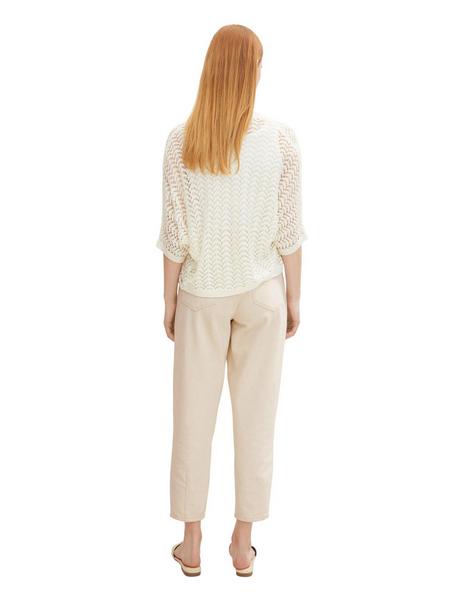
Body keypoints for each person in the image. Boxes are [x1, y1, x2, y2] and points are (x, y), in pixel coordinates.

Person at [156, 24, 307, 577]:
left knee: (192, 419)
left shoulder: (182, 141)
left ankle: (191, 541)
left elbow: (176, 235)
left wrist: (168, 301)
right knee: (257, 418)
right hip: (263, 292)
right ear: (252, 73)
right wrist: (294, 297)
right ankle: (242, 543)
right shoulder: (281, 141)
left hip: (202, 293)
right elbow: (288, 231)